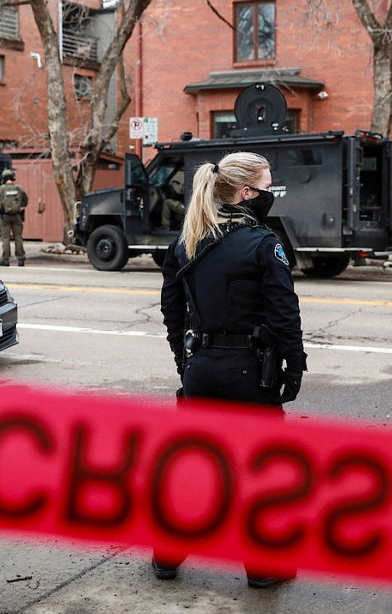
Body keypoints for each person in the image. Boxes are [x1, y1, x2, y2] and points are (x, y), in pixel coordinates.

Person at [156, 151, 305, 590]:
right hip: (248, 374)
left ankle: (167, 554)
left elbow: (171, 307)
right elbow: (285, 314)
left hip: (201, 369)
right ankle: (261, 567)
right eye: (267, 187)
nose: (271, 194)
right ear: (245, 193)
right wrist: (294, 369)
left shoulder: (188, 238)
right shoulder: (263, 242)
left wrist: (184, 360)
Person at [0, 168, 28, 266]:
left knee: (6, 238)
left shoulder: (1, 189)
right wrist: (21, 206)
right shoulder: (18, 188)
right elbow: (25, 199)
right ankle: (21, 259)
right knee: (18, 237)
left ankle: (6, 259)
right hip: (17, 216)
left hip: (5, 216)